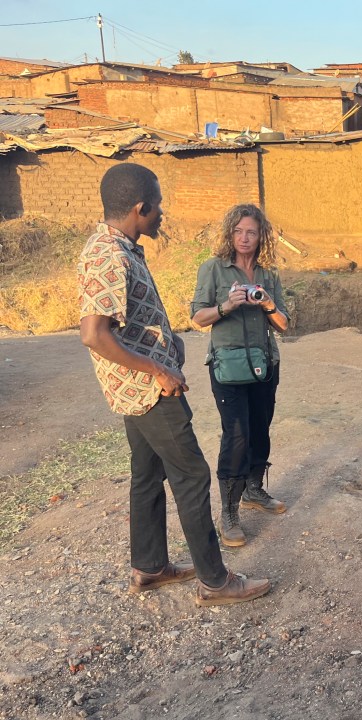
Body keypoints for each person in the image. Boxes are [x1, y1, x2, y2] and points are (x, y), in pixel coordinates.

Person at [78, 163, 271, 606]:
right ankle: (216, 582)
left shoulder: (122, 248)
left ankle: (149, 567)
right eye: (158, 205)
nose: (162, 212)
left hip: (137, 389)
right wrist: (158, 370)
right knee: (191, 474)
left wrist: (169, 342)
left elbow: (129, 320)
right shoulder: (107, 255)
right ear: (140, 208)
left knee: (147, 474)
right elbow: (95, 333)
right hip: (148, 391)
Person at [191, 203, 291, 547]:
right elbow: (197, 319)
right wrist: (227, 306)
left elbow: (285, 325)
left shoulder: (268, 276)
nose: (245, 238)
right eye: (238, 231)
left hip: (264, 365)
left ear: (261, 236)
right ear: (230, 234)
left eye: (251, 232)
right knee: (235, 436)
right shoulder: (213, 270)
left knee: (260, 431)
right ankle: (229, 510)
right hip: (227, 366)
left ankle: (254, 489)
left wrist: (266, 304)